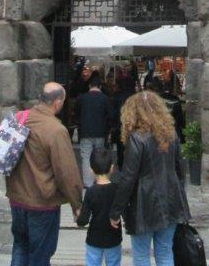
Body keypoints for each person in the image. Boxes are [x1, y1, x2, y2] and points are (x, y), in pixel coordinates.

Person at [6, 82, 83, 266]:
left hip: (16, 198)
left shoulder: (19, 117)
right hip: (42, 202)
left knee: (20, 247)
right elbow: (66, 173)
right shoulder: (56, 130)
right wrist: (76, 204)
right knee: (40, 255)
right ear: (58, 102)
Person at [109, 91, 190, 266]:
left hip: (144, 204)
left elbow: (128, 178)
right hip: (171, 198)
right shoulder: (171, 135)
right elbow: (179, 170)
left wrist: (116, 211)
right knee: (165, 252)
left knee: (141, 255)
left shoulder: (136, 138)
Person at [76, 147, 122, 266]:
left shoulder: (90, 192)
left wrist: (78, 215)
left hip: (94, 238)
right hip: (114, 238)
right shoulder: (117, 189)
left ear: (91, 170)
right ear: (112, 168)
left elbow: (83, 220)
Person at [75, 72, 112, 188]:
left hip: (85, 132)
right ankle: (100, 180)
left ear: (89, 85)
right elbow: (110, 116)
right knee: (99, 156)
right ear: (100, 86)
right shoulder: (105, 99)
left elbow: (76, 114)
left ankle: (88, 184)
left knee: (86, 157)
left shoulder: (82, 99)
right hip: (100, 132)